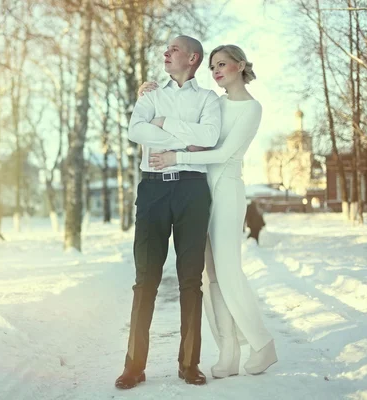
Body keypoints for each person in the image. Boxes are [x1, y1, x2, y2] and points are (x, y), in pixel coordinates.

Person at [145, 44, 278, 379]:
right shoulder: (213, 104)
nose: (216, 70)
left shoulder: (251, 108)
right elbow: (182, 125)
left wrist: (178, 158)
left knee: (229, 272)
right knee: (209, 276)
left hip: (227, 191)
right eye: (213, 66)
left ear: (240, 65)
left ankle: (262, 344)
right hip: (199, 191)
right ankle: (228, 352)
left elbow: (221, 153)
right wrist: (148, 95)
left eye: (222, 64)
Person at [114, 35, 221, 390]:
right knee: (145, 278)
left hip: (192, 188)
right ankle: (134, 366)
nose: (166, 52)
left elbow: (208, 138)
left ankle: (189, 363)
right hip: (154, 188)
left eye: (173, 49)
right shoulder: (150, 96)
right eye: (165, 49)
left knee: (191, 278)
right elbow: (135, 131)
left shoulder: (208, 99)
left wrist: (162, 126)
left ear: (192, 58)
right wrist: (179, 137)